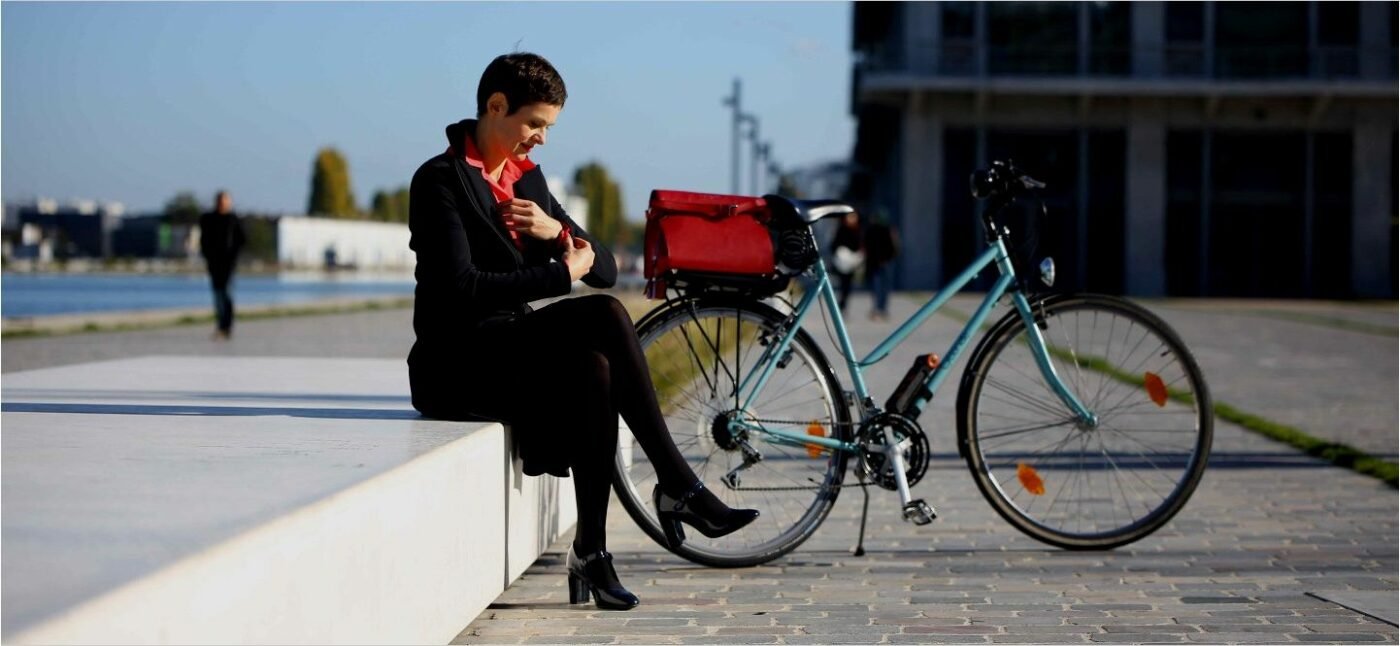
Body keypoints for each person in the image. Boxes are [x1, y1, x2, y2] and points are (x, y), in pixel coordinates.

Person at [405, 53, 757, 612]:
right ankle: (677, 485)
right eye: (534, 124)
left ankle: (592, 550)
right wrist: (559, 273)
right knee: (606, 315)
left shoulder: (526, 179)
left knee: (595, 365)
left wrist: (554, 231)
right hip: (457, 361)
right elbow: (463, 288)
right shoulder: (440, 180)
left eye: (548, 127)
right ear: (495, 106)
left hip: (512, 346)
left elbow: (605, 268)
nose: (542, 138)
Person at [199, 190, 245, 340]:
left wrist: (233, 256)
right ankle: (220, 326)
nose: (222, 203)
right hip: (214, 263)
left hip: (228, 264)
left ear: (229, 202)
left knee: (227, 293)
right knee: (217, 295)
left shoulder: (233, 219)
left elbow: (241, 240)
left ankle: (227, 326)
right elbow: (204, 240)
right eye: (220, 200)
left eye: (225, 200)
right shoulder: (208, 219)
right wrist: (207, 255)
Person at [863, 211, 900, 321]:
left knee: (878, 287)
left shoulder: (873, 230)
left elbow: (867, 246)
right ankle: (881, 309)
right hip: (884, 262)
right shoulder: (887, 230)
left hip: (879, 262)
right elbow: (894, 247)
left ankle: (879, 309)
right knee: (882, 287)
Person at [829, 211, 863, 312]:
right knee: (842, 283)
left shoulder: (857, 230)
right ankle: (841, 304)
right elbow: (834, 244)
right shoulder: (841, 229)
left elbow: (859, 245)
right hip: (841, 261)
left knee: (848, 285)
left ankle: (843, 304)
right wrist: (839, 252)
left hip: (852, 261)